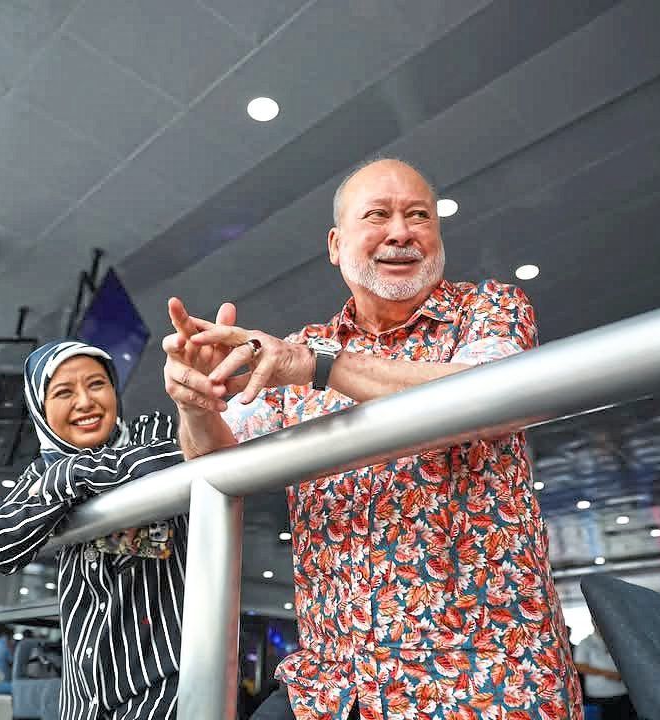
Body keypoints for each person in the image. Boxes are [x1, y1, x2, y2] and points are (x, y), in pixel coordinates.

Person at [162, 158, 582, 719]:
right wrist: (197, 403)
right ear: (336, 245)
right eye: (378, 215)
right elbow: (216, 457)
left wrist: (321, 366)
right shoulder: (299, 350)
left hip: (483, 681)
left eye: (419, 216)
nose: (401, 232)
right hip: (334, 687)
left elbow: (492, 396)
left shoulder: (489, 309)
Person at [0, 341, 186, 719]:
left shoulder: (149, 432)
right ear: (40, 408)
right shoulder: (37, 473)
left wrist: (69, 477)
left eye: (97, 384)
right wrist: (70, 485)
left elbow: (170, 463)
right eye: (64, 392)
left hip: (163, 688)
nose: (85, 402)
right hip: (81, 698)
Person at [572, 625, 635, 720]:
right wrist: (607, 673)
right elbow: (580, 666)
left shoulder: (620, 640)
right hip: (599, 695)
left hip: (624, 693)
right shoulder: (585, 642)